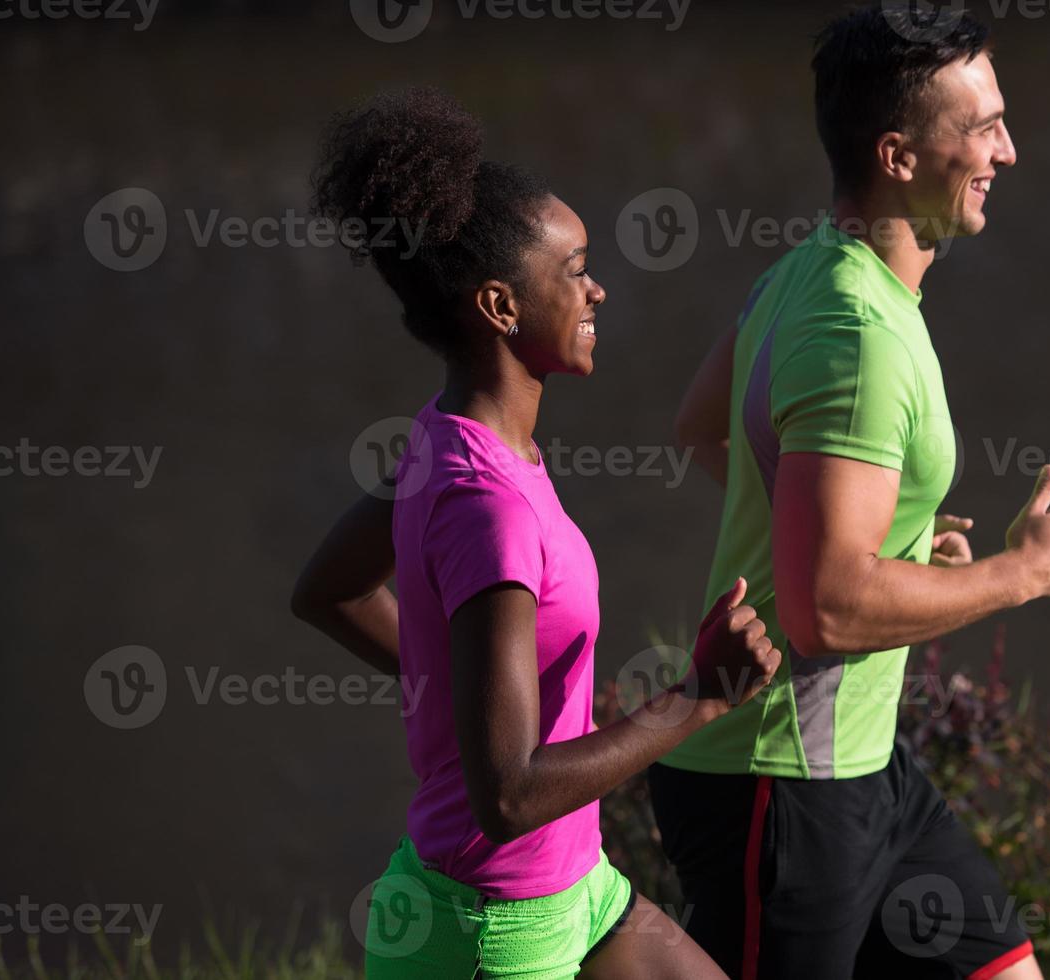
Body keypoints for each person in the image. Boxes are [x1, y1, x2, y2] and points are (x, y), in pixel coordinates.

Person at [290, 87, 780, 980]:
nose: (598, 288)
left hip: (576, 888)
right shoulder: (490, 507)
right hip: (491, 936)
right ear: (498, 305)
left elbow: (331, 588)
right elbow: (509, 794)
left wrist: (462, 687)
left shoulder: (454, 439)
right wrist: (698, 698)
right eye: (576, 270)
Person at [655, 6, 1050, 979]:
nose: (1008, 152)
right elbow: (825, 608)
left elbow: (702, 427)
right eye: (982, 130)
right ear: (897, 154)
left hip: (864, 767)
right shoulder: (856, 332)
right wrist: (1020, 572)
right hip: (778, 784)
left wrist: (867, 528)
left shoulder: (810, 270)